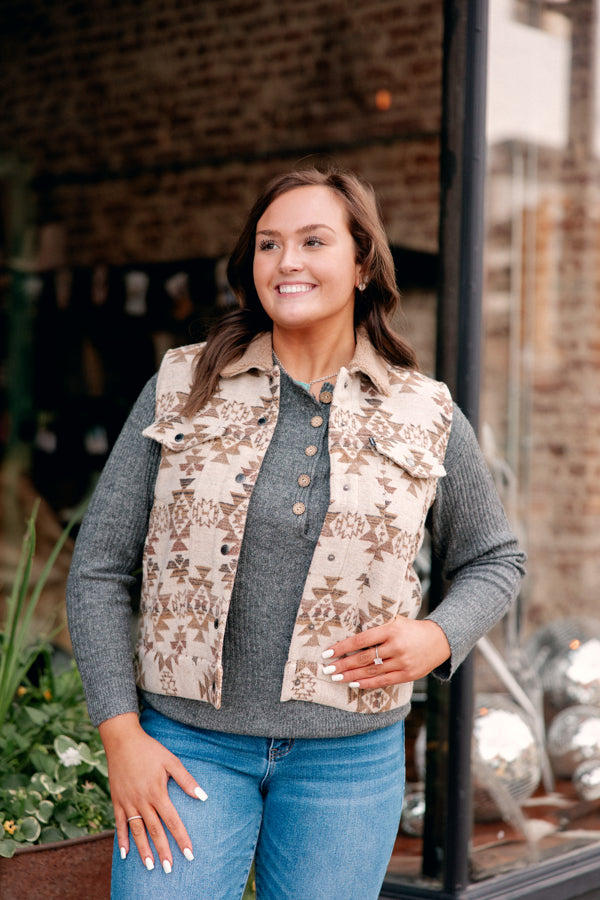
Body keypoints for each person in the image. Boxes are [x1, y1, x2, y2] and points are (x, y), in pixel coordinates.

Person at [66, 166, 526, 900]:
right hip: (188, 746)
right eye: (268, 244)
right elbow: (98, 567)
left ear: (363, 263)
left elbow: (495, 558)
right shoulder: (182, 385)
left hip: (348, 762)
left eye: (314, 241)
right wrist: (121, 736)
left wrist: (439, 637)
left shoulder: (425, 411)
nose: (288, 262)